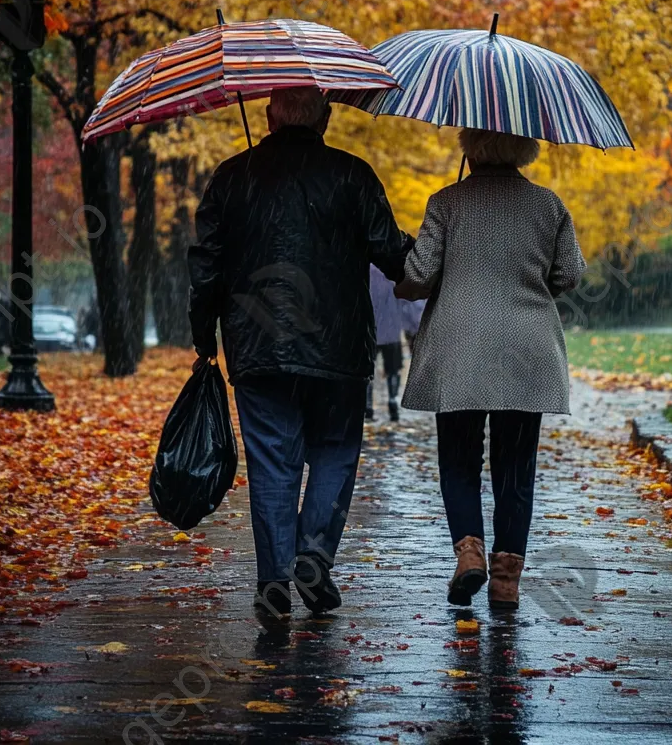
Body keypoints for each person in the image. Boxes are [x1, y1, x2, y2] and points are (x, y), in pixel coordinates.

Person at [187, 87, 412, 617]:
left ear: (268, 117)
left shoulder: (231, 176)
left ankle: (273, 581)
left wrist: (204, 336)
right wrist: (428, 252)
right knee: (335, 451)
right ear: (327, 119)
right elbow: (392, 256)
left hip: (258, 348)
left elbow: (205, 268)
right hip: (337, 348)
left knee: (272, 461)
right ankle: (313, 553)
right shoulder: (353, 174)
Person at [395, 129, 586, 610]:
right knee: (515, 469)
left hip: (459, 349)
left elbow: (417, 276)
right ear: (526, 149)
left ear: (469, 147)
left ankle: (469, 555)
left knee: (458, 462)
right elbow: (569, 273)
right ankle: (506, 581)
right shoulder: (549, 206)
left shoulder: (447, 202)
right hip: (527, 352)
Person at [366, 263, 404, 422]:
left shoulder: (366, 270)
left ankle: (367, 405)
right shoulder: (394, 270)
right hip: (391, 330)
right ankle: (393, 400)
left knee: (367, 369)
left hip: (370, 329)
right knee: (393, 369)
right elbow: (406, 301)